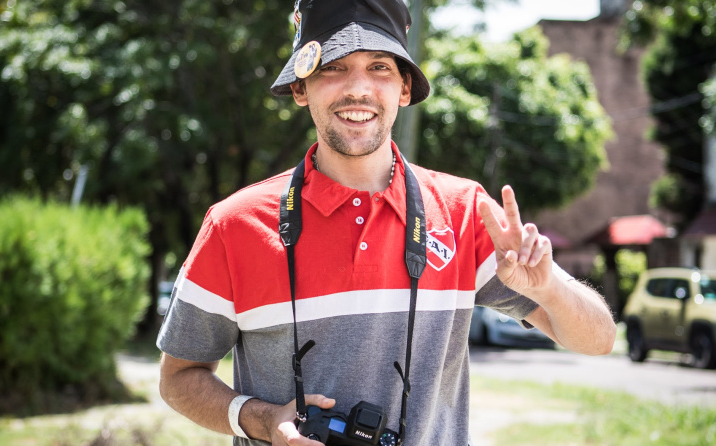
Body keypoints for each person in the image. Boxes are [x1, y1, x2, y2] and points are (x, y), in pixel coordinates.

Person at [156, 1, 617, 445]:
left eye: (380, 67)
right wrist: (261, 420)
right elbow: (179, 378)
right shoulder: (233, 224)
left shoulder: (465, 212)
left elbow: (599, 340)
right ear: (300, 87)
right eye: (333, 67)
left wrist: (548, 288)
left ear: (404, 89)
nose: (358, 88)